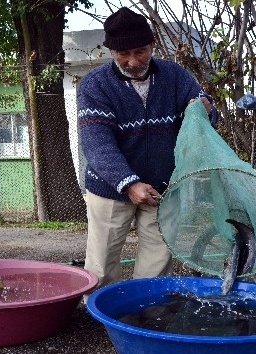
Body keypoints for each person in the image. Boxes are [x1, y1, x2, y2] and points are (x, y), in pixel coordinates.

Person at [77, 7, 217, 288]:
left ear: (152, 44)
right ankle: (101, 314)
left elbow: (203, 114)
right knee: (102, 261)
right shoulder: (95, 85)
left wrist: (206, 109)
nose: (132, 61)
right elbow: (97, 142)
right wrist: (128, 183)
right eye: (122, 54)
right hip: (110, 187)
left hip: (163, 186)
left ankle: (145, 310)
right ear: (110, 50)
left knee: (157, 256)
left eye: (140, 51)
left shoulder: (175, 76)